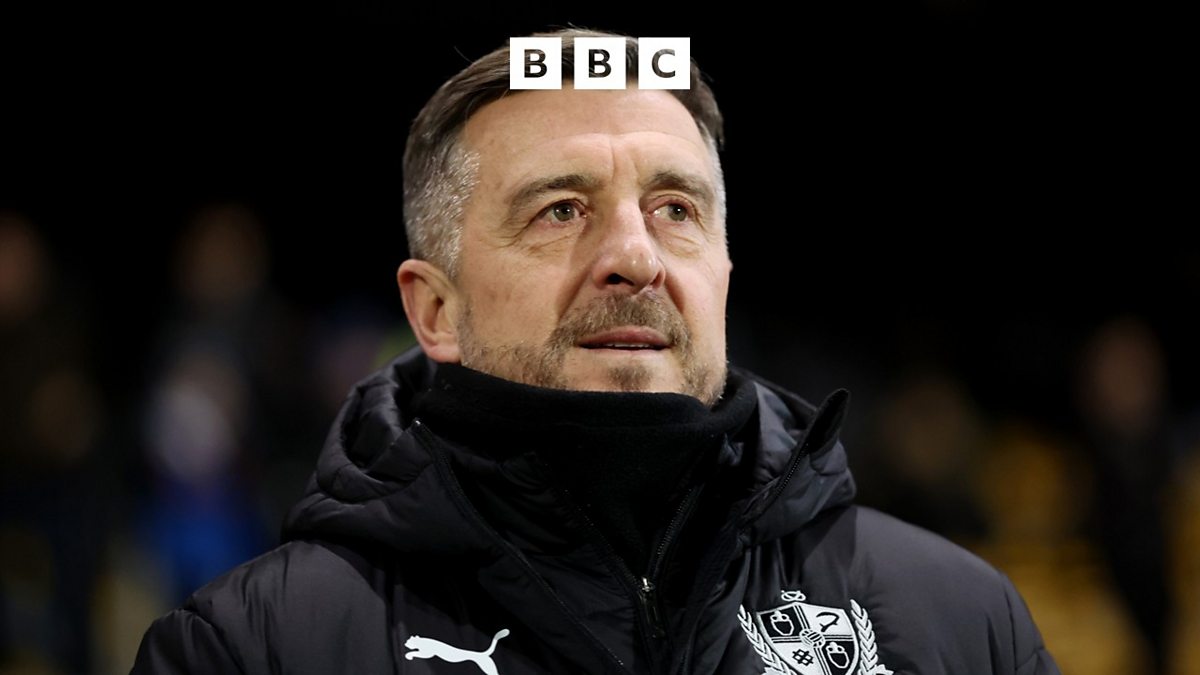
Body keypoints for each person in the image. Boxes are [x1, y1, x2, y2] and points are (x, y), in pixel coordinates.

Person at [132, 28, 1060, 674]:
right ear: (435, 309)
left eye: (675, 209)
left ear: (724, 273)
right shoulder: (250, 649)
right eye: (561, 210)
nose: (633, 257)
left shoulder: (960, 621)